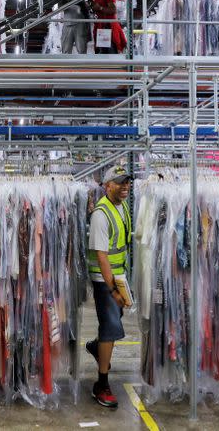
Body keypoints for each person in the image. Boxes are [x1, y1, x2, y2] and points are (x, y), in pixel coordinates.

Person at [86, 165, 132, 407]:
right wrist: (113, 289)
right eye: (120, 182)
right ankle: (101, 385)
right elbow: (102, 256)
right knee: (111, 327)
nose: (125, 186)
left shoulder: (121, 206)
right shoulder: (100, 215)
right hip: (105, 280)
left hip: (119, 276)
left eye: (127, 181)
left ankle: (95, 347)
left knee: (113, 323)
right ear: (107, 186)